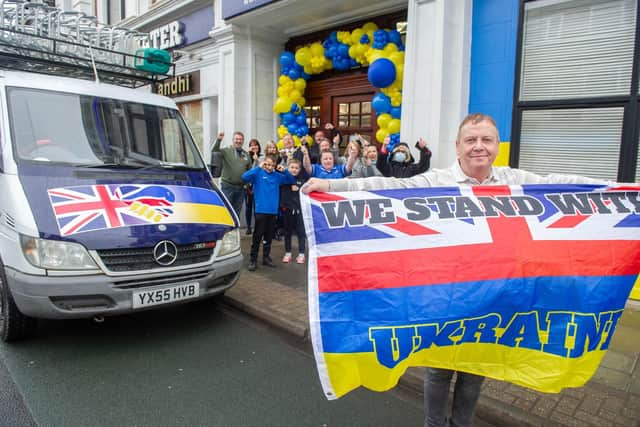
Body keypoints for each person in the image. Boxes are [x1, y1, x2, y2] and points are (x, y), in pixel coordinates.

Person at [303, 113, 611, 427]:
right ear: (458, 146)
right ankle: (433, 424)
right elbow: (388, 186)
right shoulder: (437, 182)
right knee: (439, 369)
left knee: (475, 370)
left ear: (496, 144)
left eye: (487, 140)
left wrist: (621, 191)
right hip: (445, 296)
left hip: (491, 298)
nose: (479, 147)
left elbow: (560, 186)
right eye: (471, 140)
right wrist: (332, 184)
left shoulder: (512, 182)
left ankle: (461, 424)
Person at [242, 155, 295, 271]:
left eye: (272, 165)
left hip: (272, 211)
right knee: (257, 236)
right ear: (264, 164)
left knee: (269, 235)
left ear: (275, 165)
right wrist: (258, 167)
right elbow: (244, 177)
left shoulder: (277, 176)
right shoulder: (257, 174)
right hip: (261, 210)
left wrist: (285, 170)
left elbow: (291, 180)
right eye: (267, 164)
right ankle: (253, 259)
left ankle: (266, 257)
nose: (269, 167)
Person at [211, 131, 252, 220]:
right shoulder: (226, 150)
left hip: (241, 189)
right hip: (228, 186)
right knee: (227, 211)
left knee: (236, 213)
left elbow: (249, 171)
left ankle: (234, 232)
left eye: (240, 139)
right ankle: (226, 232)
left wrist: (247, 184)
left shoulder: (246, 154)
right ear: (233, 140)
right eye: (236, 139)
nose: (238, 141)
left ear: (243, 141)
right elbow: (214, 151)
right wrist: (218, 140)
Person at [280, 159, 308, 264]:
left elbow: (305, 191)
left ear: (300, 169)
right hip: (287, 210)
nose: (294, 170)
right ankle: (288, 252)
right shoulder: (284, 179)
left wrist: (299, 187)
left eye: (296, 168)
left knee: (301, 232)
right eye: (292, 167)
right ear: (288, 167)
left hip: (299, 211)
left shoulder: (302, 180)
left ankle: (301, 253)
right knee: (287, 232)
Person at [244, 139, 261, 235]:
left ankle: (257, 227)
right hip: (249, 186)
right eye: (252, 145)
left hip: (258, 186)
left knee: (256, 207)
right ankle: (248, 227)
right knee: (248, 207)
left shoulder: (262, 157)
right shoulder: (246, 157)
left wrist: (257, 160)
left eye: (256, 145)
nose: (254, 147)